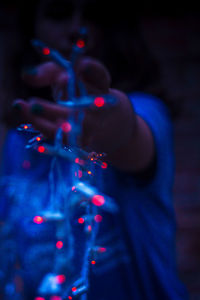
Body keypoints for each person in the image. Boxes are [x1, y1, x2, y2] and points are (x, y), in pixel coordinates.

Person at [0, 0, 188, 299]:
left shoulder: (147, 111)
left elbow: (131, 136)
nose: (76, 29)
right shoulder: (17, 142)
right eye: (59, 14)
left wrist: (115, 126)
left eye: (93, 14)